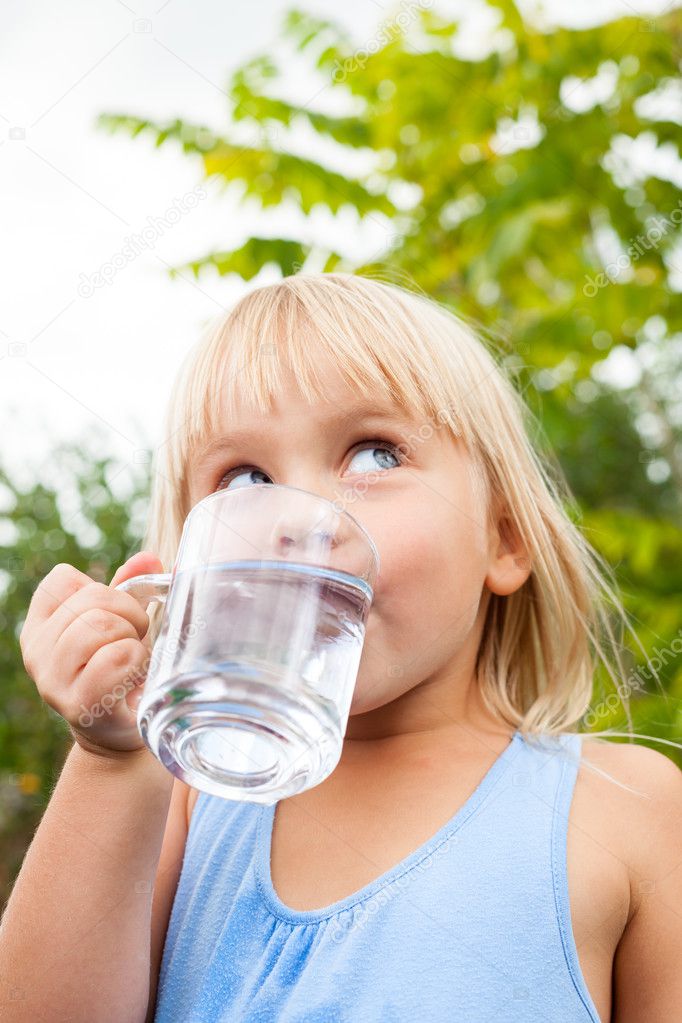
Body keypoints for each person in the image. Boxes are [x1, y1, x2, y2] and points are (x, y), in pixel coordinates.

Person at [2, 272, 680, 1022]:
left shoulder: (627, 809)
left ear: (504, 537)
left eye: (376, 455)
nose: (305, 518)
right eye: (246, 478)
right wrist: (109, 758)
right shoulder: (190, 804)